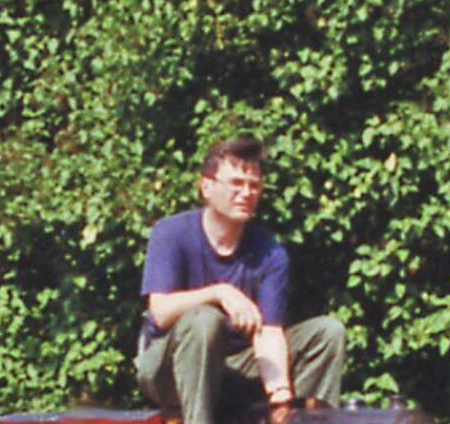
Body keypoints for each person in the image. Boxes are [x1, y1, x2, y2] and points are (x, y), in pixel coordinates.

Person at [135, 136, 346, 424]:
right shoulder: (170, 233)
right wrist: (220, 293)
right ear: (206, 186)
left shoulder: (270, 252)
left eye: (254, 185)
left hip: (236, 371)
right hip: (167, 370)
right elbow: (160, 313)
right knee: (204, 319)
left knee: (327, 332)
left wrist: (280, 394)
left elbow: (270, 334)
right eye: (236, 183)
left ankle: (302, 421)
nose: (246, 193)